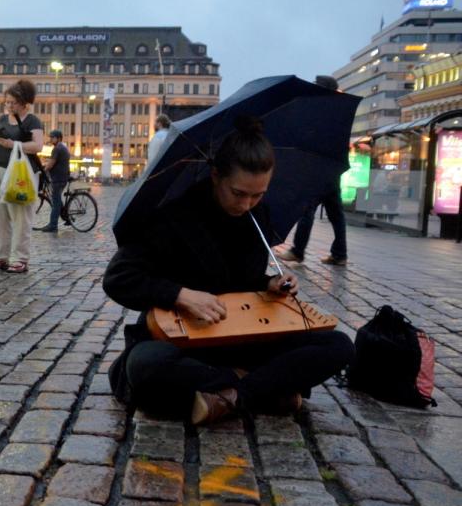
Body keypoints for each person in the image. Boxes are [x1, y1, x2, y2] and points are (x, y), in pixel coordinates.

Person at [103, 116, 354, 425]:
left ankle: (234, 395)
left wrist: (270, 284)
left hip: (243, 340)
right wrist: (181, 295)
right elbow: (118, 279)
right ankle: (266, 388)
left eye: (258, 195)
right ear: (216, 176)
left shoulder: (257, 216)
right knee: (145, 364)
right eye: (238, 193)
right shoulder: (173, 215)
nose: (247, 204)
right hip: (186, 344)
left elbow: (242, 281)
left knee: (338, 345)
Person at [277, 75, 348, 266]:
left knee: (307, 209)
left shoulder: (322, 111)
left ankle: (298, 251)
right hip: (332, 170)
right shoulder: (338, 111)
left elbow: (313, 139)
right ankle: (340, 254)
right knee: (336, 214)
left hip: (318, 170)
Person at [0, 79, 45, 274]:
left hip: (20, 171)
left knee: (21, 216)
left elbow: (38, 146)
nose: (9, 106)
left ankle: (21, 258)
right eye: (7, 102)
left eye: (13, 103)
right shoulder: (1, 119)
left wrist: (13, 145)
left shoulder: (32, 121)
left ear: (25, 103)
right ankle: (1, 257)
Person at [35, 129, 70, 233]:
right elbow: (52, 162)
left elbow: (50, 164)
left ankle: (53, 225)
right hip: (62, 177)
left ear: (58, 138)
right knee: (57, 199)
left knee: (55, 203)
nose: (50, 139)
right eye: (50, 137)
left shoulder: (57, 149)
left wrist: (43, 171)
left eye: (52, 137)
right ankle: (67, 218)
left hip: (58, 178)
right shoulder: (63, 147)